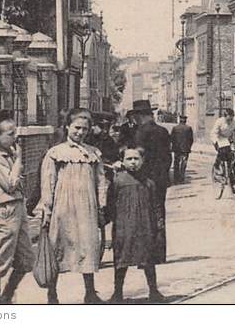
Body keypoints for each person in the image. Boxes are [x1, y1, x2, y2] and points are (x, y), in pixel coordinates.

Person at [38, 108, 109, 304]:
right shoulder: (56, 153)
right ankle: (52, 295)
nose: (80, 132)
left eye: (85, 129)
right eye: (77, 128)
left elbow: (101, 181)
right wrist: (47, 208)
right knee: (58, 247)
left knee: (88, 246)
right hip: (63, 207)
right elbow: (48, 182)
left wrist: (101, 205)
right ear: (68, 126)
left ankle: (90, 292)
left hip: (87, 207)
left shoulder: (93, 153)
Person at [0, 110, 34, 304]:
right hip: (2, 212)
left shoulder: (9, 155)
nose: (16, 137)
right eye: (10, 134)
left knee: (26, 260)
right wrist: (19, 160)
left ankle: (6, 296)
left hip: (17, 209)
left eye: (15, 133)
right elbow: (10, 185)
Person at [108, 146, 167, 303]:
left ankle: (154, 291)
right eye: (129, 159)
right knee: (121, 260)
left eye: (136, 159)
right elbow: (110, 205)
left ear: (143, 160)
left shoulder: (149, 183)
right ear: (122, 161)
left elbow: (156, 206)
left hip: (145, 227)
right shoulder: (117, 181)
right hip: (124, 228)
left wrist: (159, 224)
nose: (133, 162)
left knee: (148, 259)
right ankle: (117, 293)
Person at [131, 100, 171, 247]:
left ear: (139, 116)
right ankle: (160, 251)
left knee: (145, 214)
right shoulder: (163, 131)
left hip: (145, 179)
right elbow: (168, 157)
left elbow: (138, 158)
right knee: (159, 212)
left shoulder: (140, 132)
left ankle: (147, 252)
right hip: (161, 179)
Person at [211, 108, 235, 194]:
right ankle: (217, 171)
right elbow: (214, 133)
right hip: (219, 138)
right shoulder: (219, 121)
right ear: (225, 117)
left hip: (228, 140)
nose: (230, 121)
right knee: (222, 153)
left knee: (231, 161)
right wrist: (216, 143)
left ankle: (231, 184)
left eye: (231, 119)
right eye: (228, 119)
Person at [170, 115, 194, 183]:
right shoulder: (188, 128)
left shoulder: (175, 128)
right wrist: (189, 146)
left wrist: (173, 146)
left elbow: (172, 138)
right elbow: (191, 139)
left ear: (180, 120)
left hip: (177, 149)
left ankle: (176, 178)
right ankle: (181, 178)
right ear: (185, 120)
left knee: (176, 163)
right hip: (185, 149)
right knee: (184, 163)